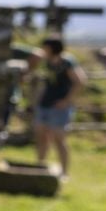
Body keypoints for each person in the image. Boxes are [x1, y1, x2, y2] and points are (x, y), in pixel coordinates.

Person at [33, 35, 87, 175]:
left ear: (51, 48)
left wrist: (66, 101)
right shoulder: (47, 62)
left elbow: (80, 81)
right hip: (45, 103)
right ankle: (40, 167)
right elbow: (47, 83)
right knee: (42, 137)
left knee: (59, 139)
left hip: (59, 106)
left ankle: (64, 172)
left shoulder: (67, 62)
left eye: (45, 47)